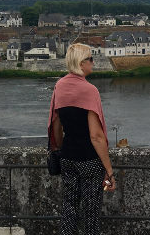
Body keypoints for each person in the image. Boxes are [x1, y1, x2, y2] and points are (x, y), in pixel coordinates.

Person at [48, 43, 115, 235]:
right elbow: (96, 136)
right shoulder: (89, 90)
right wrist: (109, 171)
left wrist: (62, 148)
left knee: (69, 209)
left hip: (68, 157)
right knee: (91, 213)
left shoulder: (59, 86)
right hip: (89, 159)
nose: (93, 63)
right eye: (90, 59)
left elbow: (56, 125)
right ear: (81, 62)